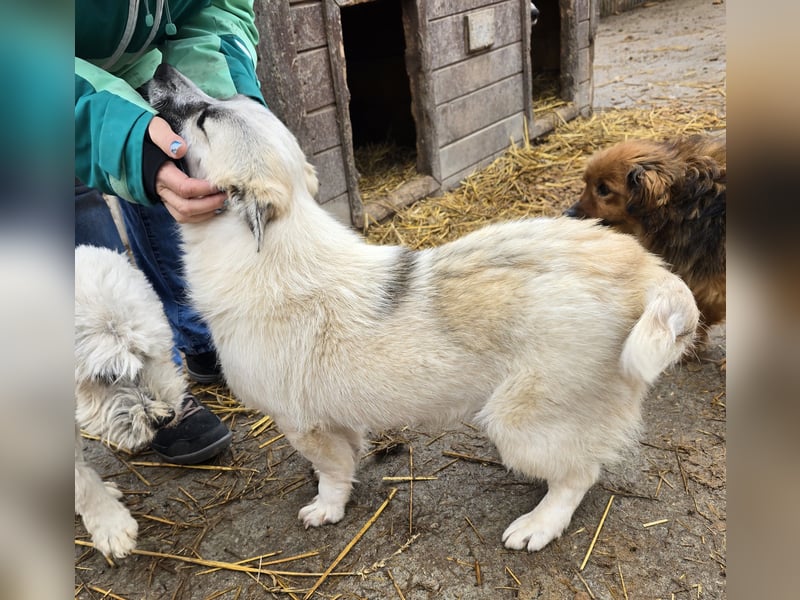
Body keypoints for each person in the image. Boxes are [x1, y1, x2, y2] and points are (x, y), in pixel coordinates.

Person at [75, 0, 266, 464]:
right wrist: (121, 141)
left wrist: (226, 100)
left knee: (170, 174)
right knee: (74, 219)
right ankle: (122, 390)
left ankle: (195, 342)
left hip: (137, 60)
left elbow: (218, 6)